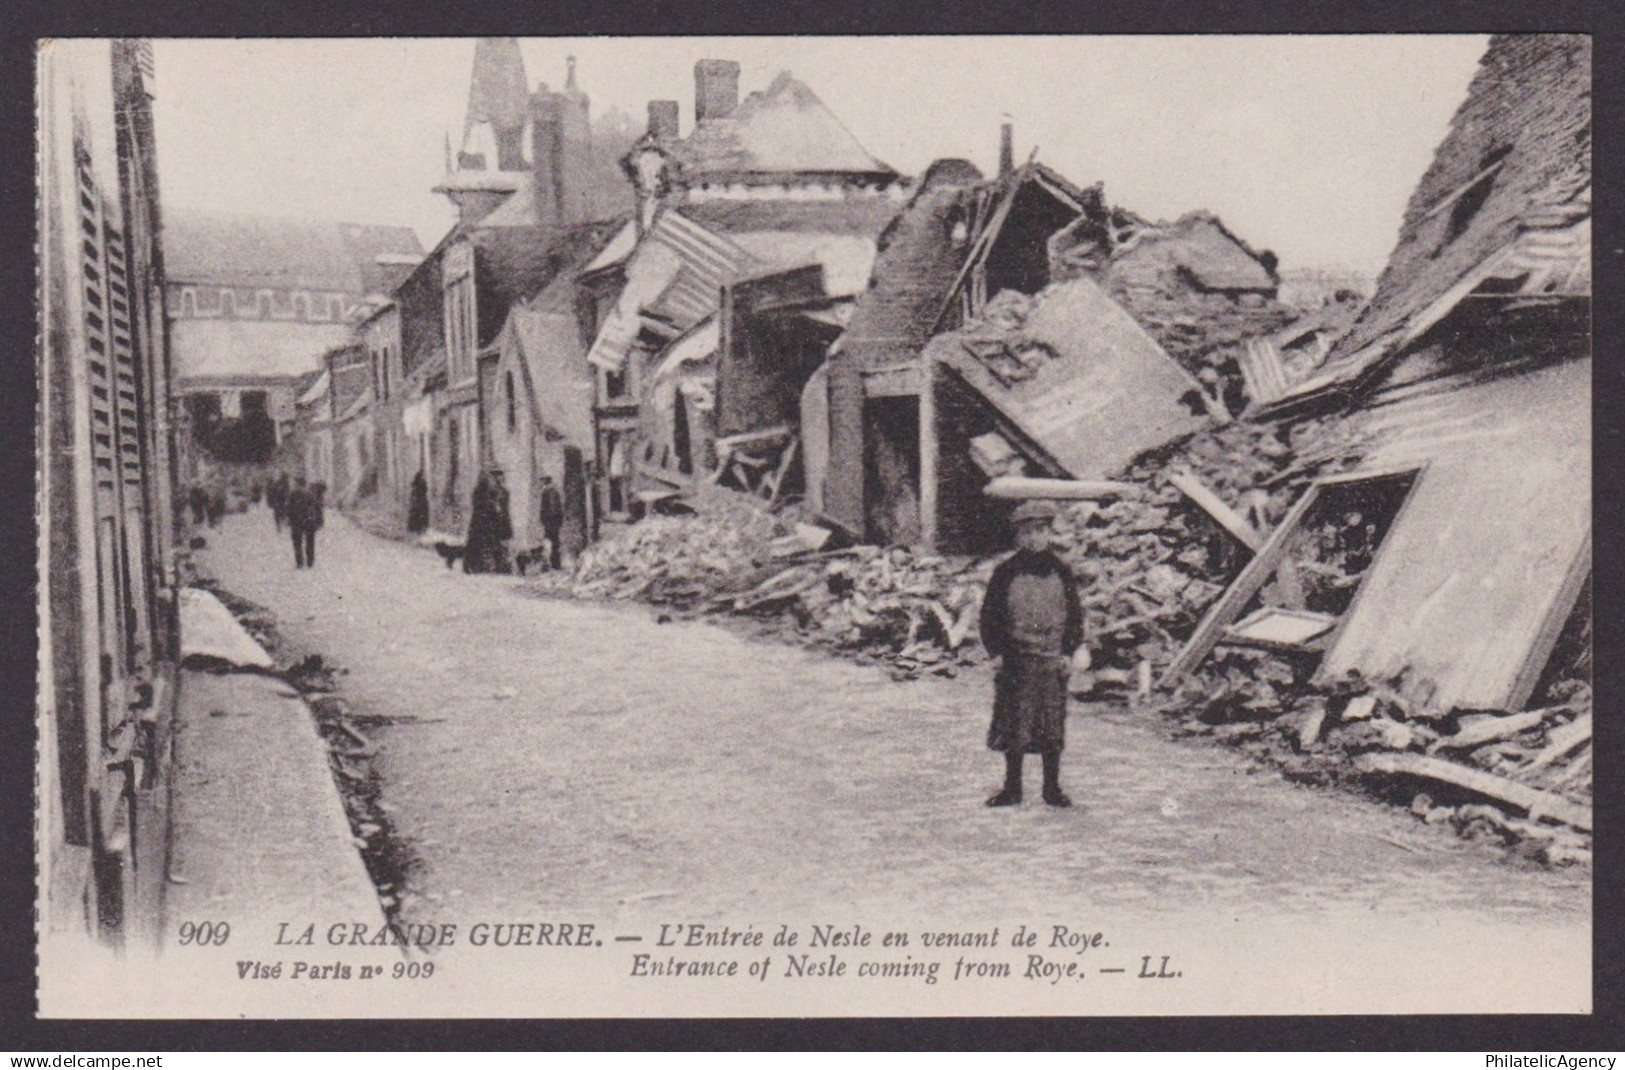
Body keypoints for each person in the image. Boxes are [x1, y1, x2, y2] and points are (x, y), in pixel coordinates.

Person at [978, 500, 1085, 808]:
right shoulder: (1005, 572)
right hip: (1016, 661)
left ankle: (1052, 788)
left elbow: (1075, 616)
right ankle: (1012, 788)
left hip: (1052, 660)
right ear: (1018, 537)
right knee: (1015, 725)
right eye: (1028, 532)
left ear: (1050, 533)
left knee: (1052, 726)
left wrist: (1068, 651)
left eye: (1041, 531)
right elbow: (990, 616)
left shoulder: (1062, 572)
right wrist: (996, 652)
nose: (1035, 538)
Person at [463, 468, 513, 574]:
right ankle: (478, 567)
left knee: (498, 545)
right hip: (484, 522)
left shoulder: (503, 491)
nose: (499, 478)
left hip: (498, 522)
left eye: (500, 475)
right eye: (496, 476)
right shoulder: (484, 491)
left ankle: (500, 567)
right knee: (482, 544)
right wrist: (493, 508)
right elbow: (481, 506)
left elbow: (504, 508)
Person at [286, 476, 316, 569]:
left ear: (296, 484)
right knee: (310, 542)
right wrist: (318, 521)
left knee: (297, 543)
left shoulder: (292, 494)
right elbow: (316, 509)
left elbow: (289, 508)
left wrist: (289, 520)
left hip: (296, 521)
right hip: (309, 521)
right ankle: (310, 561)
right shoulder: (311, 494)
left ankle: (300, 563)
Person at [537, 474, 565, 571]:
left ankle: (549, 565)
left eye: (542, 480)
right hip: (555, 522)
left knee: (549, 543)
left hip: (550, 522)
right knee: (555, 543)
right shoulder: (554, 491)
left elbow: (551, 508)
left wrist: (545, 520)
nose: (540, 482)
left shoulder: (547, 492)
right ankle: (555, 564)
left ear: (545, 481)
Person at [406, 469, 430, 535]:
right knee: (420, 518)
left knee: (416, 517)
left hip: (417, 503)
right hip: (420, 503)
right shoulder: (420, 484)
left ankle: (416, 531)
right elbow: (424, 491)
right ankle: (420, 531)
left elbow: (413, 495)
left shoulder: (415, 485)